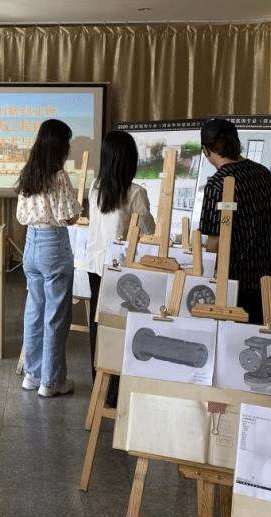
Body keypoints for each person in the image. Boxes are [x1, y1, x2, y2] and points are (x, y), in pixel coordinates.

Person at [85, 130, 154, 407]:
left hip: (95, 265)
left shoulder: (95, 187)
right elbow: (148, 232)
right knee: (123, 330)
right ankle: (115, 392)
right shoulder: (136, 192)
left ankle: (99, 386)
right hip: (123, 272)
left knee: (99, 326)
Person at [16, 119, 82, 397]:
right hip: (53, 245)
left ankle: (32, 375)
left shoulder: (28, 173)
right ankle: (51, 382)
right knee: (56, 316)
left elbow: (21, 215)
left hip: (30, 243)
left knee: (35, 311)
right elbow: (70, 216)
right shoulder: (58, 176)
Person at [197, 118, 271, 326]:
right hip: (267, 283)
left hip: (234, 287)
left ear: (206, 151)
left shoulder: (218, 183)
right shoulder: (266, 175)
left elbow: (214, 244)